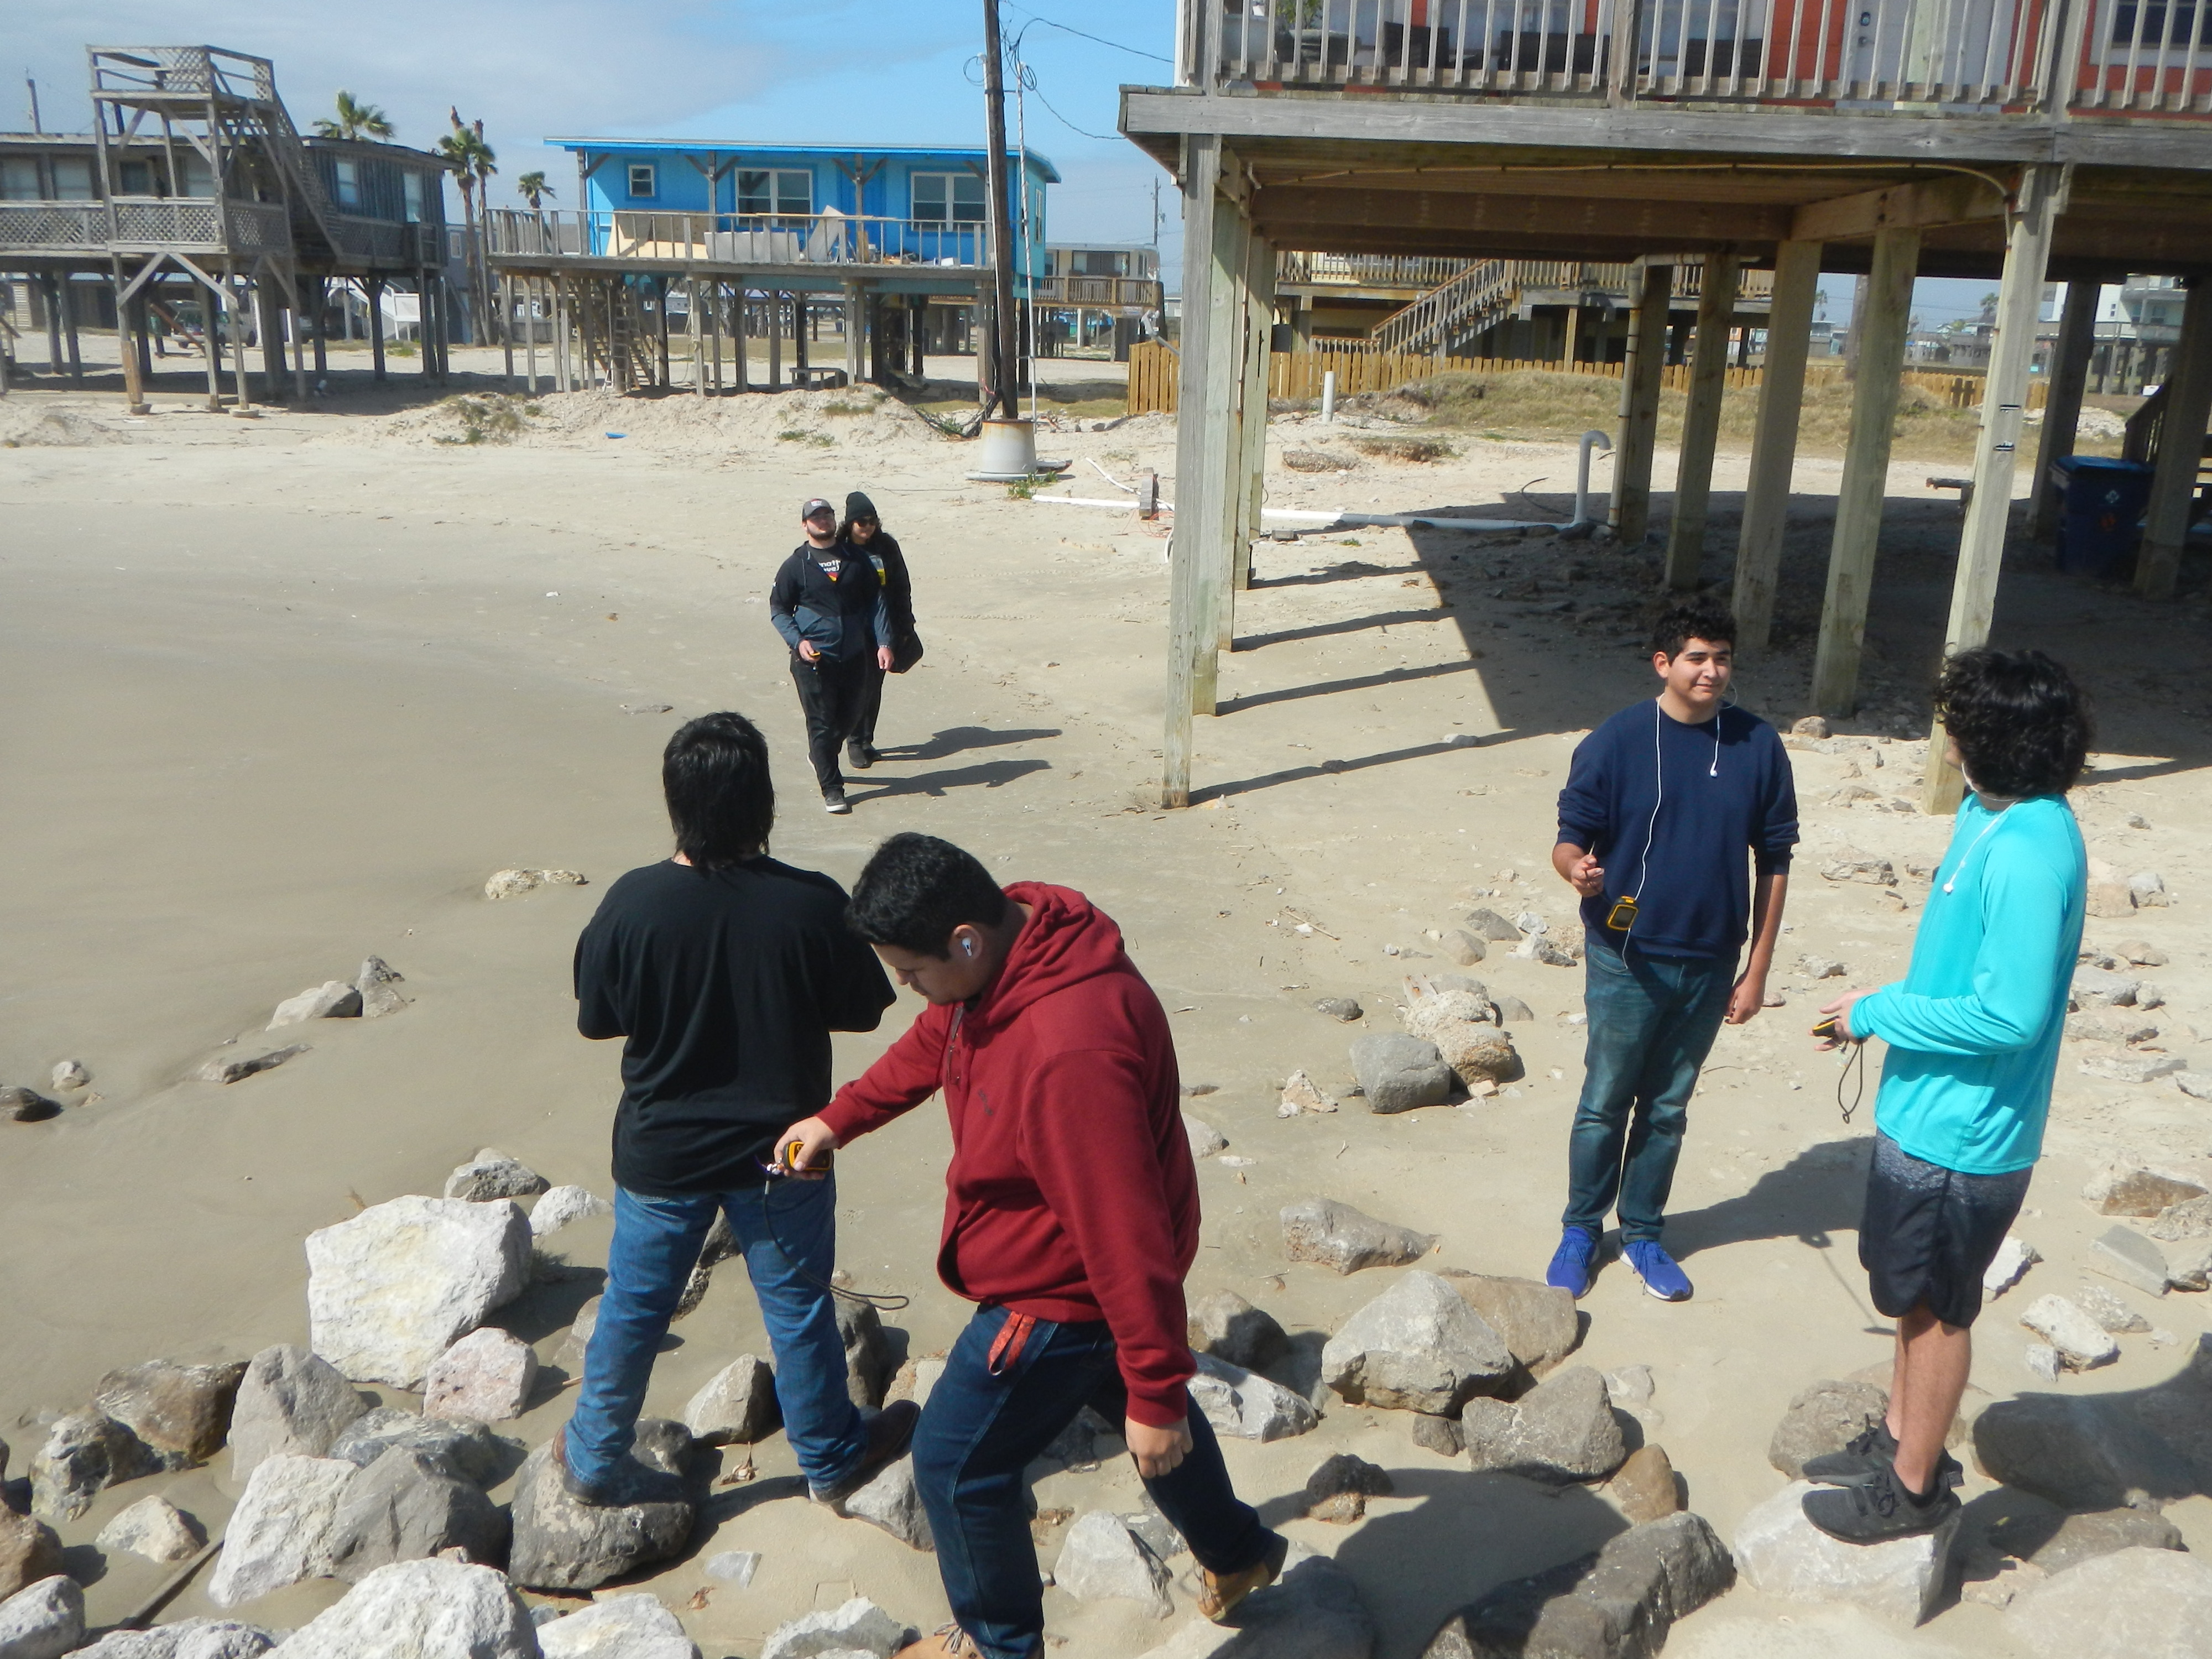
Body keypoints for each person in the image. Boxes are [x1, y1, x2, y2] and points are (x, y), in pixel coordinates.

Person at [782, 834, 1288, 1659]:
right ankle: (1238, 1554)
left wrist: (1160, 1392)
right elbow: (939, 1036)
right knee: (1120, 1395)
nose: (910, 993)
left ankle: (995, 1644)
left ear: (966, 941)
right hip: (1078, 1266)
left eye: (911, 974)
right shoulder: (1019, 939)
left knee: (953, 1467)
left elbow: (1124, 1239)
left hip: (1062, 1288)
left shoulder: (1069, 1052)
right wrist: (840, 1118)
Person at [558, 712, 916, 1510]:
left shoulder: (632, 903)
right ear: (764, 804)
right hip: (785, 1149)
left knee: (635, 1307)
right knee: (795, 1305)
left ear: (675, 804)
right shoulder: (810, 903)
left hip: (663, 1149)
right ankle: (828, 1458)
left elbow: (597, 1017)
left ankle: (592, 1458)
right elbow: (864, 1008)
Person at [1799, 650, 2090, 1543]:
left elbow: (2010, 1016)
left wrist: (1878, 1011)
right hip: (1929, 1115)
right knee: (1907, 1294)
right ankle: (1897, 1438)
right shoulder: (1990, 812)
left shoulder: (2033, 854)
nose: (1949, 738)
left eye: (1958, 726)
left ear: (1988, 743)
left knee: (1936, 1306)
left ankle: (1916, 1488)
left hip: (1968, 1136)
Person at [1546, 599, 1798, 1303]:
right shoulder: (1618, 740)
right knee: (1605, 1100)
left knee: (1667, 1107)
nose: (1710, 671)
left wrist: (1757, 970)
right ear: (1664, 664)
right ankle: (1578, 1231)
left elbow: (1774, 860)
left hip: (1711, 957)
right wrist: (1576, 869)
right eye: (1696, 657)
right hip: (1626, 953)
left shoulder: (1758, 745)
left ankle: (1645, 1233)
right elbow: (1570, 835)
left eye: (1721, 658)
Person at [770, 497, 894, 815]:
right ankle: (832, 788)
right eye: (815, 517)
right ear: (805, 525)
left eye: (827, 515)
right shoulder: (795, 565)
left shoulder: (856, 558)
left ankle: (820, 752)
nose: (822, 520)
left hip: (855, 655)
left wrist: (884, 642)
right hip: (813, 661)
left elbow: (876, 602)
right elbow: (780, 610)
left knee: (853, 715)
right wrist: (798, 642)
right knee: (821, 724)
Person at [840, 490, 915, 772]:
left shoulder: (887, 546)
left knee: (874, 687)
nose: (867, 526)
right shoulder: (839, 548)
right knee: (856, 687)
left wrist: (905, 626)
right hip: (850, 631)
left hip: (883, 630)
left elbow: (901, 588)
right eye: (861, 522)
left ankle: (866, 740)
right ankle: (854, 742)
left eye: (871, 520)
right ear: (850, 524)